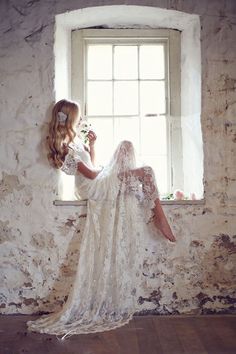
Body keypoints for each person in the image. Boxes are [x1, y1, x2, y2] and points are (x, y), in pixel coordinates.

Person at [26, 98, 176, 340]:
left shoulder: (72, 143)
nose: (80, 119)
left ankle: (157, 212)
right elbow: (92, 175)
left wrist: (91, 146)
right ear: (68, 117)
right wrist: (111, 170)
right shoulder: (64, 147)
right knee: (143, 169)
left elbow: (91, 166)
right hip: (94, 188)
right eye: (77, 116)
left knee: (137, 165)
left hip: (96, 183)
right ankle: (159, 216)